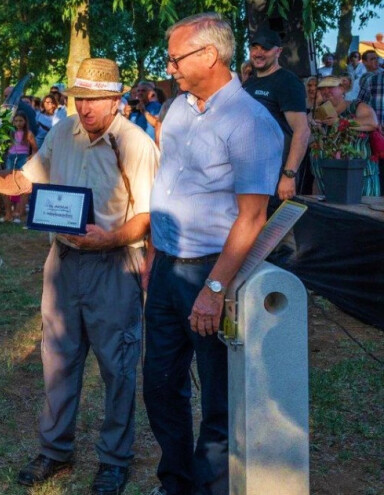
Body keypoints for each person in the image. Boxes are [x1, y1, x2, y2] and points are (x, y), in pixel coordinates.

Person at [0, 57, 159, 495]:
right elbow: (24, 181)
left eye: (93, 99)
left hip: (115, 265)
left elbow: (147, 217)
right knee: (57, 359)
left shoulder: (135, 143)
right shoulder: (61, 132)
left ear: (115, 99)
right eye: (79, 98)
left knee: (117, 366)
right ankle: (55, 450)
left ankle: (114, 459)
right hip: (63, 262)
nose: (85, 107)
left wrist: (108, 239)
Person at [143, 13, 283, 495]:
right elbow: (167, 186)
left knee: (219, 396)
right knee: (160, 385)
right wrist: (151, 255)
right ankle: (176, 482)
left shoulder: (250, 122)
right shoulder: (179, 107)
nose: (169, 66)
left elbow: (252, 217)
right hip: (164, 267)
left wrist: (215, 288)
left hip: (211, 271)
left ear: (209, 55)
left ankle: (210, 487)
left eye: (175, 57)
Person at [242, 28, 311, 200]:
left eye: (265, 48)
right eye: (255, 48)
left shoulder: (287, 81)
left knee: (275, 226)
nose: (258, 53)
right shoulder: (249, 83)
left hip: (276, 175)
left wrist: (289, 175)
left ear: (278, 51)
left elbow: (302, 131)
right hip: (250, 174)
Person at [311, 76, 380, 196]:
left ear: (343, 89)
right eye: (322, 88)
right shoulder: (320, 111)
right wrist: (314, 114)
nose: (326, 91)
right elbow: (305, 138)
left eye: (331, 87)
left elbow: (372, 122)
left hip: (358, 176)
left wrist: (341, 122)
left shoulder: (357, 106)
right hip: (324, 176)